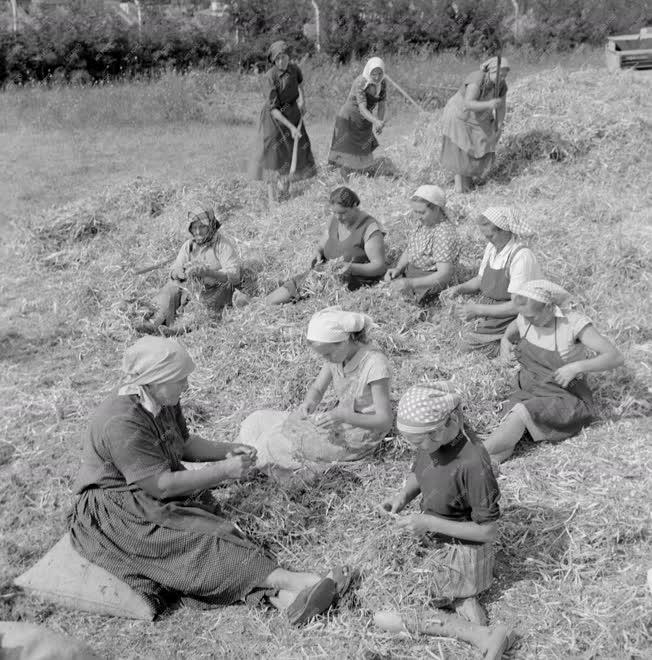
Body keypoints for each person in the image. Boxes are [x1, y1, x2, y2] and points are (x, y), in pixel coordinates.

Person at [68, 336, 352, 625]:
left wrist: (227, 450)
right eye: (180, 380)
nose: (186, 386)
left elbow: (184, 444)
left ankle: (283, 599)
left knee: (216, 530)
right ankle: (298, 582)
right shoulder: (122, 423)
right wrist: (224, 471)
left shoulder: (163, 399)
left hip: (150, 496)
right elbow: (160, 485)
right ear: (153, 381)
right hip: (117, 512)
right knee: (198, 544)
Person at [381, 381, 500, 625]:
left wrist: (429, 523)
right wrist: (402, 497)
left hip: (462, 550)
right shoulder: (434, 440)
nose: (415, 448)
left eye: (416, 442)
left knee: (417, 595)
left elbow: (488, 531)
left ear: (446, 425)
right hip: (432, 531)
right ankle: (458, 597)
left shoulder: (474, 463)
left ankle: (463, 598)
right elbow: (420, 471)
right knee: (390, 576)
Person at [483, 280, 624, 463]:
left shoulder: (573, 324)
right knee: (506, 437)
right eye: (523, 316)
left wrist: (577, 367)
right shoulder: (525, 316)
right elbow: (513, 328)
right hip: (529, 388)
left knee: (520, 413)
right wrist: (505, 342)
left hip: (563, 395)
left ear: (549, 308)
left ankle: (472, 458)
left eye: (532, 317)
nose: (527, 321)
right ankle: (478, 466)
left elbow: (615, 357)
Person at [238, 308, 393, 471]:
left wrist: (344, 416)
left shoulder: (375, 365)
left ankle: (245, 469)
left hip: (359, 436)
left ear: (345, 341)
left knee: (273, 441)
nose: (326, 360)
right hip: (339, 421)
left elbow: (384, 421)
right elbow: (318, 388)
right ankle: (231, 462)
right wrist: (308, 404)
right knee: (257, 420)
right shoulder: (337, 357)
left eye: (327, 354)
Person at [440, 207, 541, 358]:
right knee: (447, 325)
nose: (488, 240)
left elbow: (517, 306)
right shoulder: (492, 248)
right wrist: (459, 289)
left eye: (491, 236)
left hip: (512, 317)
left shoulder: (520, 256)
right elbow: (480, 280)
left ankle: (511, 347)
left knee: (464, 344)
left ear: (505, 231)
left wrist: (477, 310)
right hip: (491, 310)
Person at [265, 186, 387, 305]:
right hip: (325, 274)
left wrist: (351, 268)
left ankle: (273, 300)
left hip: (352, 281)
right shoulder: (334, 220)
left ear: (354, 206)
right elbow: (321, 245)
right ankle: (268, 301)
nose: (338, 217)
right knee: (302, 281)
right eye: (334, 212)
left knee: (304, 284)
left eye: (343, 213)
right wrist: (317, 253)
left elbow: (379, 266)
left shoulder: (369, 228)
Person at [137, 203, 242, 334]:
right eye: (194, 227)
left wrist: (209, 273)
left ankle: (177, 330)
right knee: (171, 288)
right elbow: (174, 270)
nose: (197, 232)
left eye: (202, 227)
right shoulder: (189, 245)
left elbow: (234, 275)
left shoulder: (222, 245)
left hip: (216, 291)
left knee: (202, 306)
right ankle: (154, 322)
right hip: (192, 291)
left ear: (211, 225)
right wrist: (180, 273)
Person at [249, 40, 317, 204]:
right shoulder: (270, 76)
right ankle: (273, 200)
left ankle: (284, 193)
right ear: (273, 60)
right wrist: (291, 127)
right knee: (273, 155)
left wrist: (303, 102)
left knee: (291, 150)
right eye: (277, 58)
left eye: (284, 57)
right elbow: (273, 109)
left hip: (292, 114)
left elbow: (300, 86)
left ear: (289, 56)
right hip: (274, 119)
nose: (281, 61)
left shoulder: (294, 70)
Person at [440, 56, 510, 193]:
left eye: (505, 75)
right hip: (458, 115)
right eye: (500, 74)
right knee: (462, 150)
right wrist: (489, 104)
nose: (502, 78)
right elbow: (468, 103)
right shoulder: (477, 79)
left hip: (477, 117)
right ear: (491, 71)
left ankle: (468, 183)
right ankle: (460, 188)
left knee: (479, 146)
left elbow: (501, 107)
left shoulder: (501, 86)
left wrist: (498, 126)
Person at [384, 185, 459, 305]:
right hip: (412, 275)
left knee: (410, 304)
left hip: (430, 280)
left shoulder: (444, 233)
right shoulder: (423, 223)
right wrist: (398, 269)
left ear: (436, 208)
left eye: (422, 212)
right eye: (415, 211)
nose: (418, 216)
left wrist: (410, 283)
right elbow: (410, 249)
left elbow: (444, 275)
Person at [327, 57, 392, 178]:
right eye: (374, 74)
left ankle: (358, 175)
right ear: (368, 71)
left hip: (365, 120)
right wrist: (376, 121)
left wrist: (380, 122)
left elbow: (382, 105)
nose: (377, 77)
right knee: (346, 151)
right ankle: (342, 176)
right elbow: (362, 108)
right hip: (349, 118)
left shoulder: (382, 83)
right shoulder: (361, 82)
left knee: (362, 150)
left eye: (380, 73)